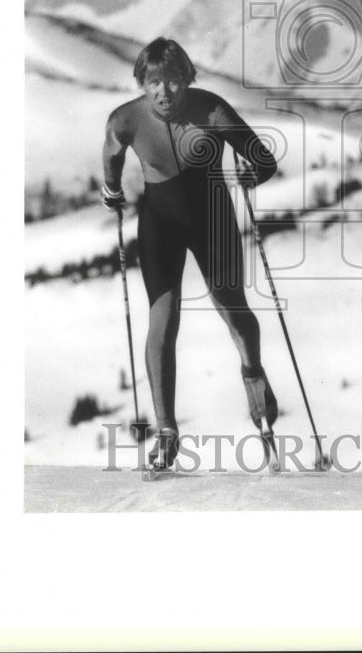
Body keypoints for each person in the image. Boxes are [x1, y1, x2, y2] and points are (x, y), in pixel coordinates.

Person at [102, 37, 279, 468]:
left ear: (188, 80)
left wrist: (251, 171)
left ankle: (252, 373)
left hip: (212, 216)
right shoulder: (125, 119)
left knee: (232, 308)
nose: (165, 92)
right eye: (154, 82)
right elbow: (111, 156)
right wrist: (110, 190)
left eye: (175, 81)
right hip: (159, 224)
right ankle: (166, 430)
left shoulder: (211, 109)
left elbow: (265, 161)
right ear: (142, 83)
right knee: (162, 320)